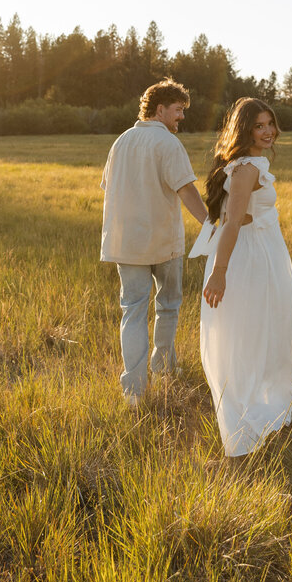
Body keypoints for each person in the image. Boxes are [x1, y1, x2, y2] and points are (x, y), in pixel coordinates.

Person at [190, 97, 292, 457]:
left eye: (270, 123)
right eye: (259, 126)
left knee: (264, 329)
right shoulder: (246, 168)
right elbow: (233, 221)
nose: (268, 131)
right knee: (248, 333)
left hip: (264, 253)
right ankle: (245, 418)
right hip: (249, 258)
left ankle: (261, 402)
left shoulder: (250, 163)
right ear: (245, 129)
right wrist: (219, 273)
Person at [100, 79, 210, 406]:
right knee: (168, 305)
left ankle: (133, 391)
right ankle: (162, 370)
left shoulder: (121, 141)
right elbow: (186, 190)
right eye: (178, 110)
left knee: (132, 313)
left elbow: (110, 187)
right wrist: (211, 226)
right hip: (163, 241)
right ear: (159, 109)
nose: (182, 117)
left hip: (126, 244)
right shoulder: (167, 144)